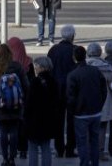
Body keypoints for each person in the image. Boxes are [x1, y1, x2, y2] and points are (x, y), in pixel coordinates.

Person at [68, 46, 109, 166]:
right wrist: (100, 105)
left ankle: (84, 163)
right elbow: (103, 90)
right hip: (95, 111)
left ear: (74, 58)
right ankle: (94, 163)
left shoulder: (73, 75)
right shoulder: (95, 71)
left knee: (82, 142)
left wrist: (73, 111)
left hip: (80, 114)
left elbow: (71, 97)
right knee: (94, 141)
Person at [0, 43, 27, 166]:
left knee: (3, 132)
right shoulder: (17, 66)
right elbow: (26, 85)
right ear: (10, 53)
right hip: (16, 105)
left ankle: (5, 158)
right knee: (14, 131)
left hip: (1, 106)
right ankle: (12, 158)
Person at [24, 55, 60, 166]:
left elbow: (29, 103)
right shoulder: (53, 81)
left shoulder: (35, 82)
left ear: (42, 67)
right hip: (48, 119)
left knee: (33, 149)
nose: (36, 68)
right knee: (46, 148)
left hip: (34, 120)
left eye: (37, 66)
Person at [50, 27, 79, 159]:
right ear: (72, 36)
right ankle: (70, 148)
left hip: (56, 89)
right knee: (71, 120)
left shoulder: (53, 50)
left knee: (58, 120)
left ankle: (59, 148)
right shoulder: (75, 50)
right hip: (71, 90)